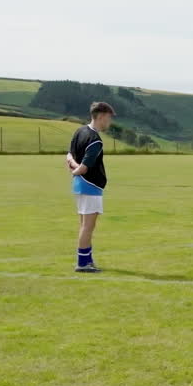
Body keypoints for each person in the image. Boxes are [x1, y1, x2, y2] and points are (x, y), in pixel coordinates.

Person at [65, 101, 115, 272]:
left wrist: (73, 167)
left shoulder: (80, 131)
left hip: (79, 186)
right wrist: (77, 170)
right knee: (88, 226)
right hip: (90, 186)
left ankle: (87, 259)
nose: (109, 122)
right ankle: (83, 263)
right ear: (100, 117)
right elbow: (84, 167)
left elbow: (69, 155)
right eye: (108, 118)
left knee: (84, 225)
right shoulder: (95, 140)